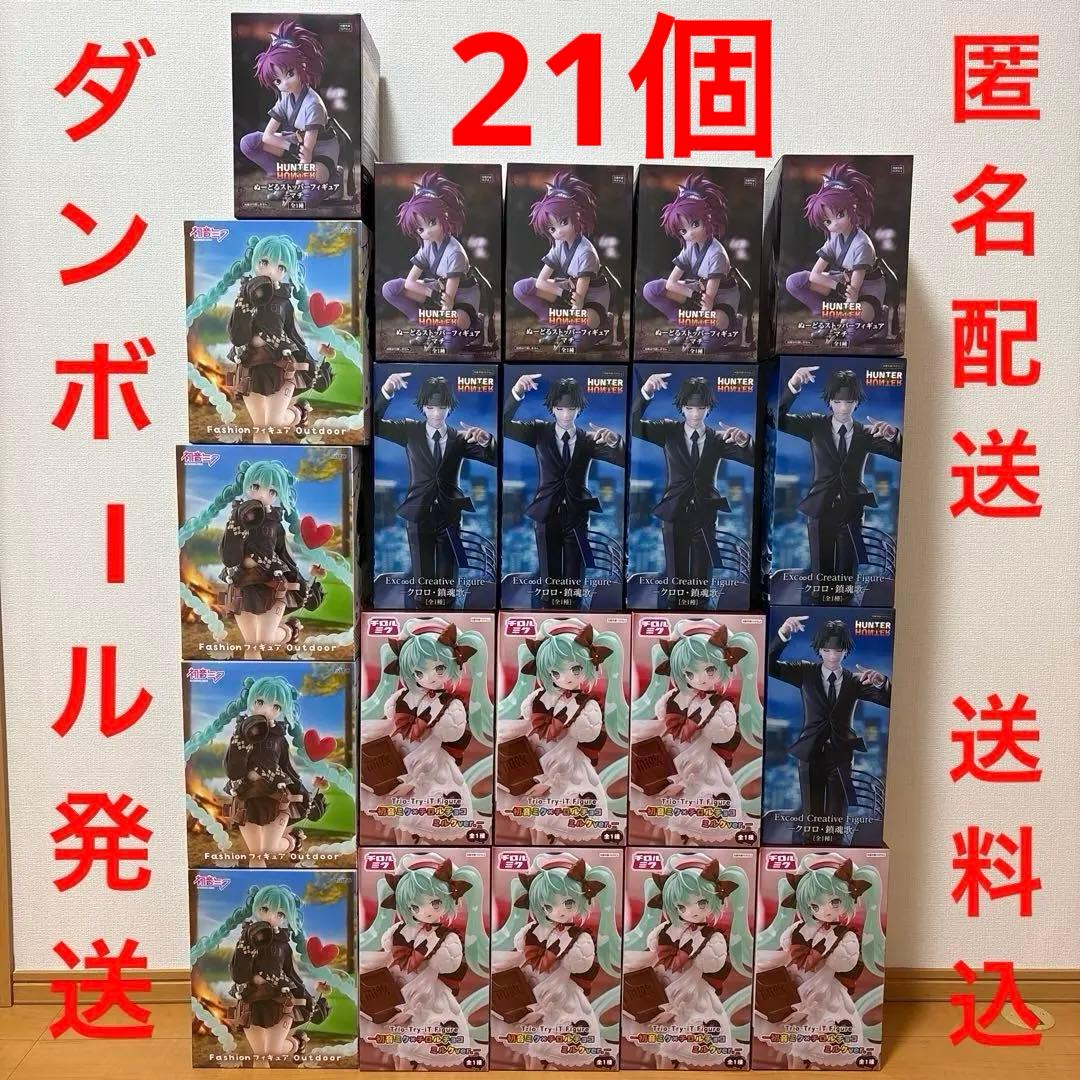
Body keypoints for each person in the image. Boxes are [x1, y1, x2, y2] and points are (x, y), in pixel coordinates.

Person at [780, 366, 901, 602]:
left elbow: (902, 454)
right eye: (837, 402)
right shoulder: (814, 425)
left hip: (852, 511)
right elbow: (777, 419)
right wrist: (794, 385)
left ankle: (844, 608)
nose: (843, 408)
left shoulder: (866, 433)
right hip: (819, 508)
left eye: (849, 402)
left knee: (847, 578)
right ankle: (818, 607)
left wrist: (894, 435)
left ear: (857, 402)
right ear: (829, 401)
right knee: (820, 577)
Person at [632, 373, 754, 606]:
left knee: (701, 581)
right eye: (689, 408)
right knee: (675, 579)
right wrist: (646, 392)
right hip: (673, 513)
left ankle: (700, 613)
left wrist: (745, 441)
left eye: (701, 408)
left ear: (709, 408)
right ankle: (674, 611)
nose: (695, 414)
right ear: (681, 408)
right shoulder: (668, 431)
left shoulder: (719, 439)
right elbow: (634, 425)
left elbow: (754, 459)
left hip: (705, 515)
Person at [503, 374, 624, 608]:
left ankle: (573, 615)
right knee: (549, 579)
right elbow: (505, 424)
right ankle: (548, 612)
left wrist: (615, 441)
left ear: (579, 409)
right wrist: (517, 391)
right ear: (552, 409)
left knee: (574, 579)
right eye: (560, 409)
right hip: (546, 513)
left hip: (578, 515)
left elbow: (622, 459)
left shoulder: (589, 440)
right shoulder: (539, 432)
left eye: (571, 409)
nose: (566, 415)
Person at [375, 372, 495, 605]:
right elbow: (375, 426)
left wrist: (487, 440)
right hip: (418, 513)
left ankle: (448, 613)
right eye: (431, 407)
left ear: (450, 408)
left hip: (451, 515)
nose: (437, 413)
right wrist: (387, 391)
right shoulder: (409, 430)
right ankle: (422, 612)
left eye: (442, 407)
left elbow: (494, 458)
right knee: (422, 577)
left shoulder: (460, 438)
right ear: (423, 408)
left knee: (448, 577)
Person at [767, 615, 890, 835]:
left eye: (838, 650)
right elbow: (768, 665)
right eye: (826, 650)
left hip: (841, 756)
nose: (832, 656)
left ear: (846, 651)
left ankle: (834, 851)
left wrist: (883, 683)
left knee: (836, 820)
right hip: (810, 752)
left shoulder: (855, 681)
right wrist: (783, 633)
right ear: (819, 650)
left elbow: (890, 700)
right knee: (810, 819)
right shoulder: (805, 672)